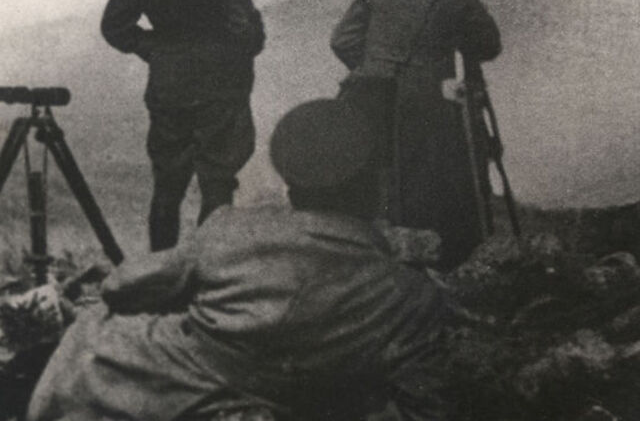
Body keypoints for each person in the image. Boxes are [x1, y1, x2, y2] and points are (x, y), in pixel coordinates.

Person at [27, 99, 449, 421]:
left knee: (92, 328)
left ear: (291, 185)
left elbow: (122, 288)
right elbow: (426, 403)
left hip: (177, 385)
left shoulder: (233, 229)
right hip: (301, 402)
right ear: (373, 188)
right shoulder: (410, 296)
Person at [101, 0, 265, 250]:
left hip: (169, 85)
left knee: (167, 187)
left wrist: (156, 49)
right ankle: (209, 276)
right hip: (220, 86)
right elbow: (247, 34)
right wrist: (243, 42)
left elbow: (115, 27)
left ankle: (159, 274)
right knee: (217, 187)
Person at [330, 0, 501, 270]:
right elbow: (488, 46)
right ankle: (436, 261)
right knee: (428, 185)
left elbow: (342, 40)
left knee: (367, 179)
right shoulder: (452, 2)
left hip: (362, 97)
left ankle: (358, 256)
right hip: (423, 106)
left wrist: (373, 69)